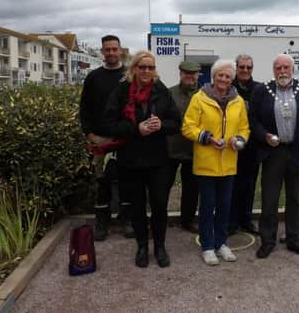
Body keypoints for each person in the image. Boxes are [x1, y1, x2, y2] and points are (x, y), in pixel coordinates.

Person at [101, 51, 180, 267]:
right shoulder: (122, 91)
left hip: (158, 160)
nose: (146, 71)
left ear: (155, 70)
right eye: (142, 67)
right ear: (134, 68)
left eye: (150, 67)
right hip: (131, 159)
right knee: (136, 206)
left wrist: (161, 126)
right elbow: (108, 124)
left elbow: (176, 123)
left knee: (159, 205)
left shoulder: (161, 91)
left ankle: (160, 247)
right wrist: (136, 129)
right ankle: (142, 246)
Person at [182, 59, 250, 266]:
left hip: (229, 163)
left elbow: (244, 129)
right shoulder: (199, 98)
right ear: (213, 76)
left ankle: (221, 243)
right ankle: (207, 246)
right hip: (206, 164)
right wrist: (207, 137)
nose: (224, 79)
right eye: (220, 75)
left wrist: (237, 140)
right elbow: (187, 127)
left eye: (228, 76)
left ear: (232, 79)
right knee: (207, 206)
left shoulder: (238, 101)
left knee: (224, 206)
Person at [250, 54, 299, 259]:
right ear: (273, 70)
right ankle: (268, 241)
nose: (282, 71)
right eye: (278, 68)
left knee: (296, 199)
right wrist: (265, 135)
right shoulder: (262, 90)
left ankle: (293, 239)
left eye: (286, 67)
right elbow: (252, 120)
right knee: (270, 199)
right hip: (273, 153)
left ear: (293, 69)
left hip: (298, 151)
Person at [79, 35, 132, 241]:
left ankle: (127, 220)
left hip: (126, 138)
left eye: (114, 49)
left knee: (127, 180)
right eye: (107, 49)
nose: (111, 53)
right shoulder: (93, 77)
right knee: (102, 182)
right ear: (102, 52)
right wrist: (89, 133)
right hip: (100, 138)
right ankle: (102, 222)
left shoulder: (129, 75)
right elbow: (84, 107)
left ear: (121, 51)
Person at [167, 61, 201, 233]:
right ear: (180, 73)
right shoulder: (169, 93)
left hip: (194, 150)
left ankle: (187, 220)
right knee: (163, 186)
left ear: (198, 75)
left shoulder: (204, 94)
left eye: (193, 73)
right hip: (171, 149)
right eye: (186, 72)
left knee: (192, 189)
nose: (189, 76)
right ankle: (159, 218)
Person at [228, 54, 260, 235]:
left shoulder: (259, 89)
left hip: (252, 146)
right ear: (236, 68)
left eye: (249, 67)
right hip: (231, 145)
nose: (245, 70)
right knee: (231, 185)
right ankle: (231, 221)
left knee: (249, 185)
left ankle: (246, 219)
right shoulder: (228, 88)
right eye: (242, 67)